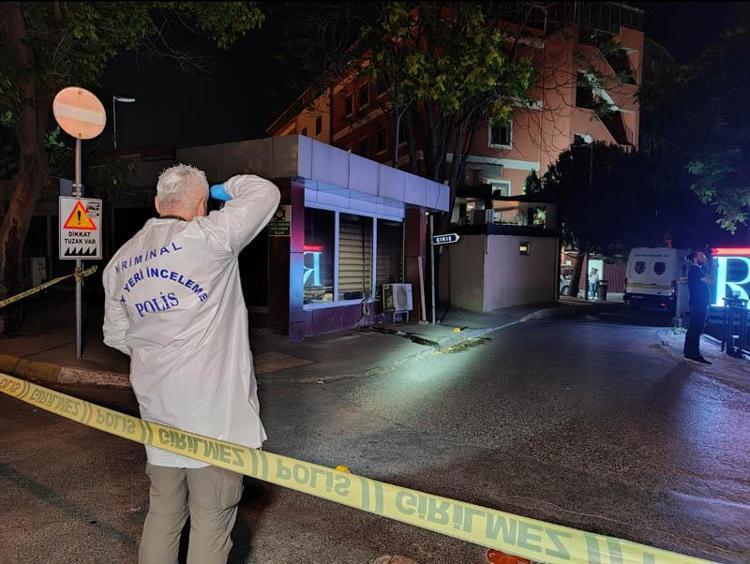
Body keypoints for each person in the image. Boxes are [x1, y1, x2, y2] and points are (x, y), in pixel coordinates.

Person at [102, 164, 280, 564]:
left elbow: (115, 335)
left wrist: (157, 349)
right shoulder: (209, 237)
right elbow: (264, 192)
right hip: (214, 420)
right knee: (212, 520)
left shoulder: (122, 260)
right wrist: (219, 189)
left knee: (163, 514)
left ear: (156, 203)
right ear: (201, 205)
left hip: (159, 416)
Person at [683, 250, 713, 364]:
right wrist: (714, 268)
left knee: (693, 329)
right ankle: (694, 355)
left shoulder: (695, 270)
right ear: (695, 258)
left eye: (704, 257)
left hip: (697, 303)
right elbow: (711, 281)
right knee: (696, 329)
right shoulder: (695, 271)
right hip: (699, 304)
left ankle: (689, 354)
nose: (704, 258)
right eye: (701, 256)